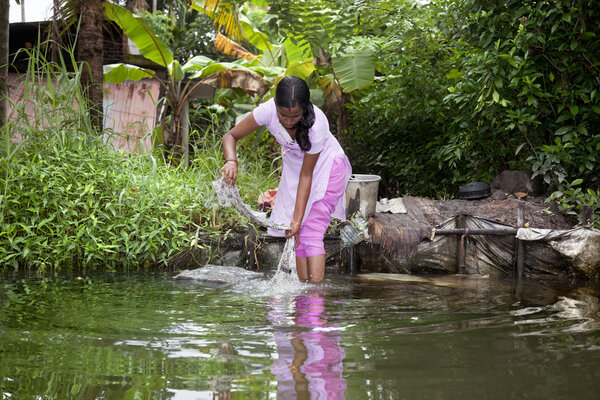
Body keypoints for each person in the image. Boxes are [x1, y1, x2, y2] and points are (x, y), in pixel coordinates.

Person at [219, 76, 352, 283]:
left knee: (310, 230)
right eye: (283, 115)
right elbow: (231, 136)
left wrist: (298, 218)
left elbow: (307, 175)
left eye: (295, 116)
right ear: (276, 106)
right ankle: (302, 297)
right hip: (296, 174)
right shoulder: (267, 110)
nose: (289, 121)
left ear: (305, 108)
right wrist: (231, 161)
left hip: (327, 169)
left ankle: (314, 298)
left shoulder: (317, 124)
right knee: (295, 233)